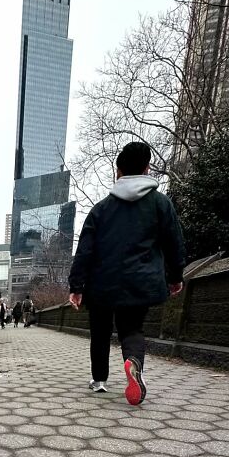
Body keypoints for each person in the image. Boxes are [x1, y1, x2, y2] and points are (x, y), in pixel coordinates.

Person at [68, 141, 185, 404]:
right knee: (132, 328)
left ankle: (99, 380)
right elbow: (174, 242)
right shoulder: (160, 204)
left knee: (99, 331)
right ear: (146, 168)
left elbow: (84, 250)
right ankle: (133, 361)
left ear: (117, 171)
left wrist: (76, 287)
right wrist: (175, 276)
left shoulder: (102, 209)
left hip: (101, 284)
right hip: (140, 281)